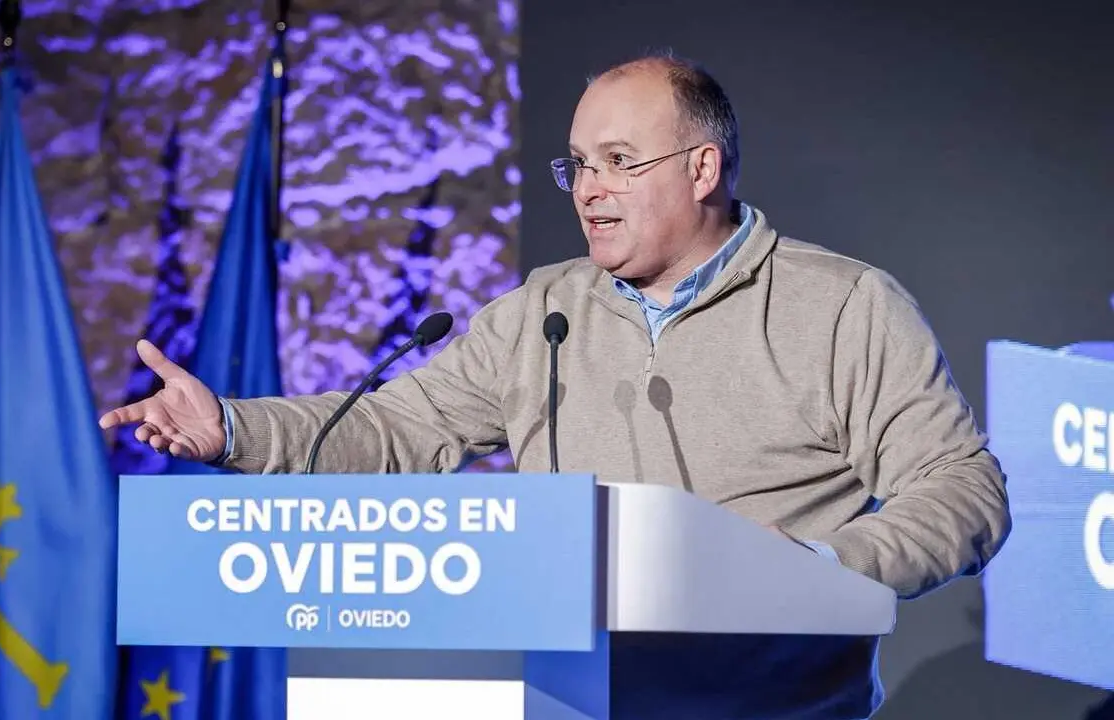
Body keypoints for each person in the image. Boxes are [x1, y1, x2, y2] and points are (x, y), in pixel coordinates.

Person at [100, 51, 1011, 719]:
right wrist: (229, 428)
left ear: (702, 169)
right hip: (563, 703)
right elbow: (395, 430)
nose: (588, 189)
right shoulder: (544, 309)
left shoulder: (841, 305)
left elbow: (964, 489)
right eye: (578, 163)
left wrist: (818, 572)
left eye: (620, 161)